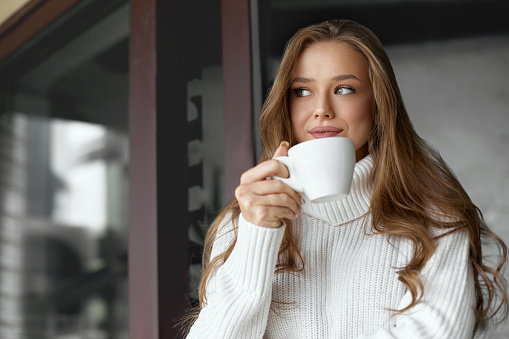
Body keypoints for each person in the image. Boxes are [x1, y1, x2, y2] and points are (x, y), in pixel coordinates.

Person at [185, 19, 508, 338]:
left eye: (344, 89)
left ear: (378, 103)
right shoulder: (244, 223)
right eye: (302, 91)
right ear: (285, 103)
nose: (321, 109)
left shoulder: (436, 220)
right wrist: (257, 235)